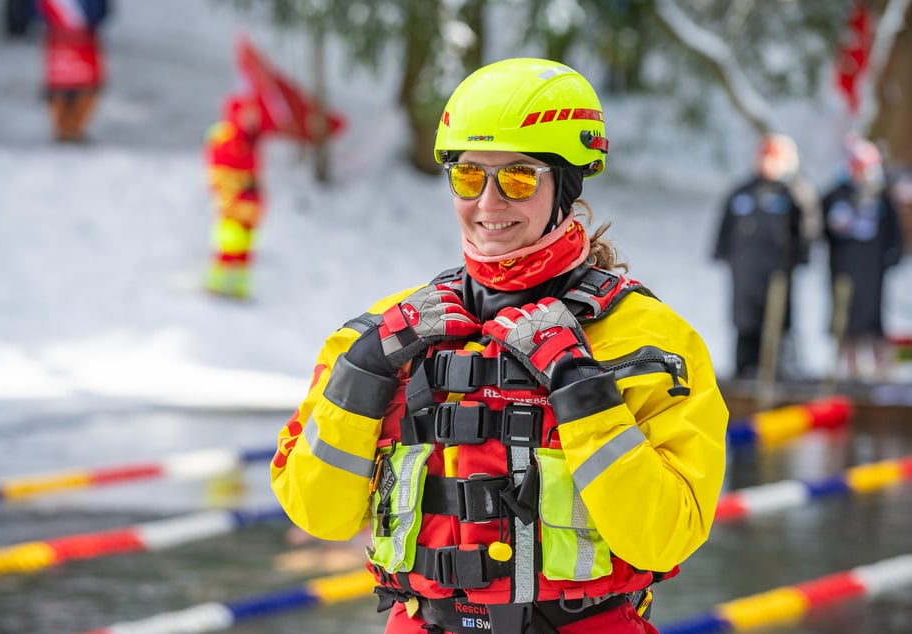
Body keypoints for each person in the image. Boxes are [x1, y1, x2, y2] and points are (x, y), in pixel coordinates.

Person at [270, 58, 728, 634]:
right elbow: (319, 514)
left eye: (518, 177)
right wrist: (363, 372)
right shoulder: (383, 335)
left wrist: (583, 393)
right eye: (467, 176)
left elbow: (666, 539)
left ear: (566, 184)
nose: (488, 202)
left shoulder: (649, 340)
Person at [713, 134, 815, 380]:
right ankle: (744, 367)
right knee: (745, 320)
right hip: (745, 271)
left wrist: (797, 258)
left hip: (778, 270)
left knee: (777, 318)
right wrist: (723, 253)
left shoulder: (794, 194)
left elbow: (807, 230)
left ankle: (778, 367)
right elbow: (726, 227)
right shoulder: (742, 192)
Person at [822, 135, 905, 382]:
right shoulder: (837, 194)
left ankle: (881, 367)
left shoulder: (882, 196)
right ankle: (848, 365)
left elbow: (894, 231)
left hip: (873, 269)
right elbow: (824, 229)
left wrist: (894, 255)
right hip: (844, 268)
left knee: (873, 317)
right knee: (846, 319)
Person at [203, 93, 265, 300]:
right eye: (248, 114)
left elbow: (255, 175)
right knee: (230, 246)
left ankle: (238, 287)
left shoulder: (251, 139)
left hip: (249, 206)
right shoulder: (228, 139)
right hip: (233, 206)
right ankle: (217, 285)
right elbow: (221, 175)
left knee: (245, 251)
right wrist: (234, 196)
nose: (253, 119)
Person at [36, 0, 110, 143]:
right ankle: (62, 130)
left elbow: (102, 12)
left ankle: (76, 130)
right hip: (61, 38)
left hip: (82, 39)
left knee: (85, 84)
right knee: (61, 86)